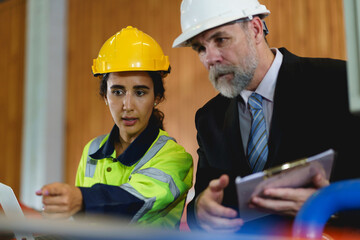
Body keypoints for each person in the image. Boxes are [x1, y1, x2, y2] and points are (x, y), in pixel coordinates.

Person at [172, 0, 360, 235]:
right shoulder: (209, 119)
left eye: (221, 40)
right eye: (200, 48)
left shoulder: (339, 83)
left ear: (256, 29)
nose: (210, 58)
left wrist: (330, 204)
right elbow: (202, 199)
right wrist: (201, 209)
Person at [36, 26, 193, 229]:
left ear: (157, 97)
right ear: (105, 97)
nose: (127, 105)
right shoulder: (92, 151)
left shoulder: (174, 158)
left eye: (140, 92)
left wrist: (81, 200)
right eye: (118, 92)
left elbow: (135, 200)